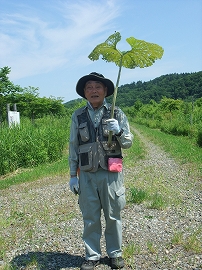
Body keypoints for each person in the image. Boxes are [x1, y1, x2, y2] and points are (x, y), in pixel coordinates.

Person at [69, 72, 133, 270]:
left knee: (113, 215)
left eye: (98, 86)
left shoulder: (117, 113)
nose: (93, 90)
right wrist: (73, 175)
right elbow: (73, 146)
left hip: (111, 173)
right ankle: (92, 255)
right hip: (87, 174)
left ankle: (115, 253)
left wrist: (119, 131)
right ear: (84, 92)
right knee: (90, 217)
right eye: (89, 87)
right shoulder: (77, 115)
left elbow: (128, 143)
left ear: (105, 90)